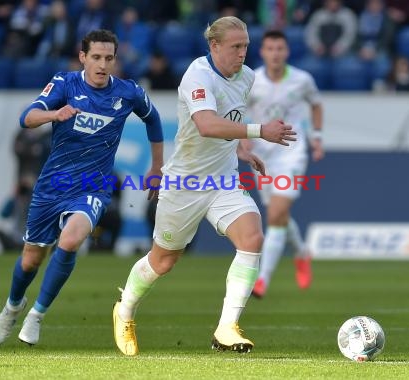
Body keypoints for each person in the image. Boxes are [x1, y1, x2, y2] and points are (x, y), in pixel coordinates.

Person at [112, 16, 296, 356]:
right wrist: (260, 132)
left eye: (245, 46)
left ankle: (227, 327)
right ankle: (124, 310)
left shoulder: (246, 77)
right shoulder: (197, 76)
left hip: (223, 179)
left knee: (253, 236)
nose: (242, 53)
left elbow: (231, 119)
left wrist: (242, 149)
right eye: (235, 47)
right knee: (164, 261)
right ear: (214, 46)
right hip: (185, 182)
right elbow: (207, 125)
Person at [0, 29, 164, 346]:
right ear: (83, 57)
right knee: (31, 259)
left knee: (70, 241)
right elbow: (26, 117)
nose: (102, 64)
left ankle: (37, 316)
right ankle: (13, 305)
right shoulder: (64, 84)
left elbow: (153, 120)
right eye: (96, 57)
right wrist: (54, 114)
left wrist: (156, 167)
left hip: (93, 186)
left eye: (108, 58)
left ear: (115, 60)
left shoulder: (128, 93)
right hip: (53, 183)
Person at [245, 30, 324, 298]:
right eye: (270, 48)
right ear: (263, 52)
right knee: (279, 215)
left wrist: (317, 137)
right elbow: (239, 111)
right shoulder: (251, 80)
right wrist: (244, 139)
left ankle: (262, 279)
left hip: (293, 152)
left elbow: (316, 105)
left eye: (280, 48)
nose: (275, 53)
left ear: (287, 52)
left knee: (276, 214)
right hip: (262, 155)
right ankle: (302, 253)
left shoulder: (302, 80)